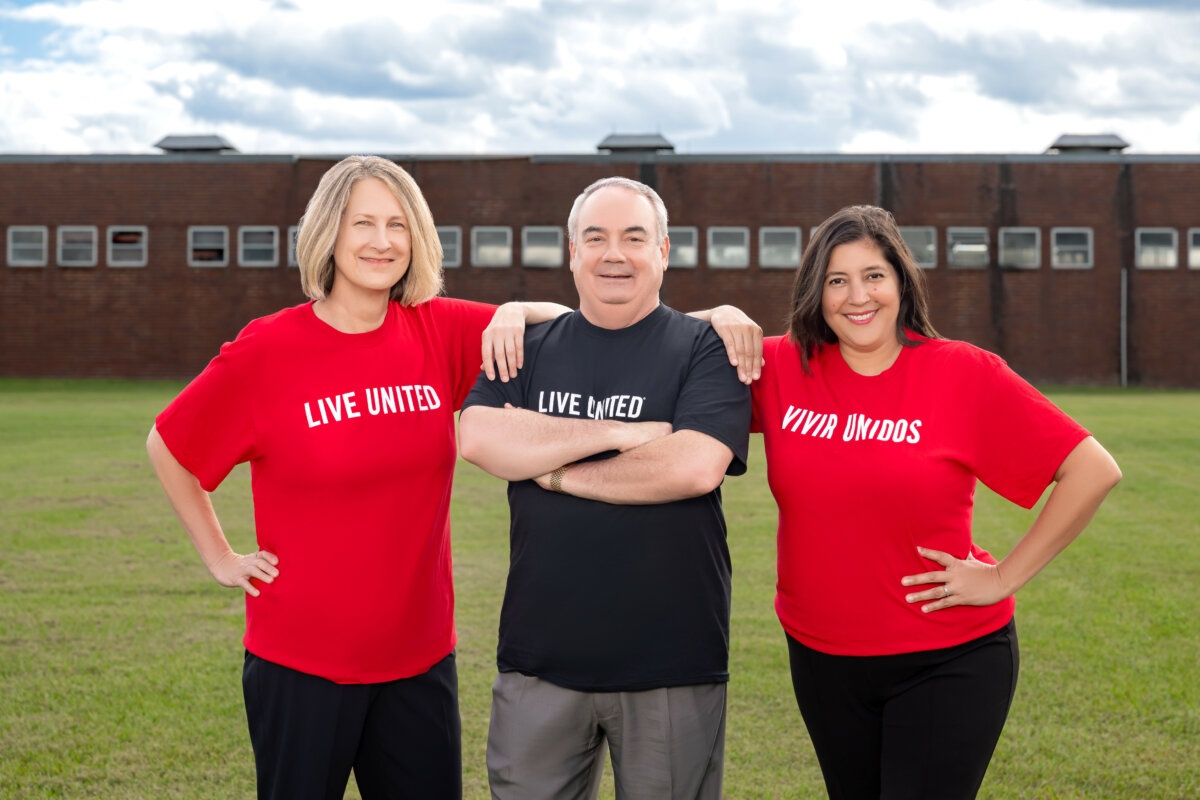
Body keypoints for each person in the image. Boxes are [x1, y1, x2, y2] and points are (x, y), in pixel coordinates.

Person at [145, 155, 576, 800]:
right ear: (328, 233)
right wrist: (219, 556)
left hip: (420, 658)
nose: (382, 241)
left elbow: (571, 329)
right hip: (300, 664)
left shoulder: (441, 329)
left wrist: (514, 308)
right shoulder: (267, 350)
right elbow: (171, 444)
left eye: (398, 224)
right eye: (363, 222)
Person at [747, 205, 1122, 799]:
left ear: (901, 280)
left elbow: (1092, 469)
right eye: (836, 280)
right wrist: (718, 317)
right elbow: (661, 347)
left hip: (946, 657)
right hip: (821, 657)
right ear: (815, 292)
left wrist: (1003, 576)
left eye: (874, 275)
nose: (856, 296)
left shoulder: (961, 373)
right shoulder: (780, 366)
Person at [457, 176, 753, 800]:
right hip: (539, 660)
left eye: (633, 237)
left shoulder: (707, 347)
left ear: (664, 250)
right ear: (572, 251)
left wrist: (553, 465)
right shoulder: (525, 345)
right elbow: (481, 439)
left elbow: (692, 466)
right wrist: (624, 434)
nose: (613, 253)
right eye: (596, 237)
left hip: (672, 663)